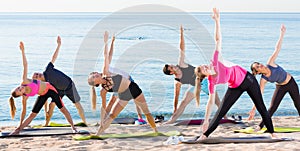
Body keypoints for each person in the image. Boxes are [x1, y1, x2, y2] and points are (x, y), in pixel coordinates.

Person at [194, 8, 276, 140]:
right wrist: (206, 120)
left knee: (261, 107)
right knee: (221, 111)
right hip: (235, 86)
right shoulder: (211, 81)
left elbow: (218, 40)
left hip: (248, 80)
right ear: (206, 75)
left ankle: (273, 133)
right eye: (204, 69)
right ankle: (205, 135)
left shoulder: (215, 61)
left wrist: (217, 21)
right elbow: (210, 102)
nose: (206, 66)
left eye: (204, 65)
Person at [88, 31, 157, 135]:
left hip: (133, 88)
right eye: (93, 77)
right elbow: (104, 108)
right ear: (95, 83)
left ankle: (155, 130)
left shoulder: (106, 72)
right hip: (123, 95)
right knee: (111, 115)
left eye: (94, 74)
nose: (95, 74)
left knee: (146, 112)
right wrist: (102, 120)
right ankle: (98, 133)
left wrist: (107, 42)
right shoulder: (103, 90)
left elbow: (106, 56)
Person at [8, 41, 77, 135]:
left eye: (18, 88)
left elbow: (25, 65)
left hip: (51, 90)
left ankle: (73, 128)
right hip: (43, 94)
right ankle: (18, 131)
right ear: (22, 94)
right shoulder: (25, 97)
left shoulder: (25, 81)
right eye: (20, 90)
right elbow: (23, 112)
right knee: (32, 115)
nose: (20, 87)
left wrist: (23, 52)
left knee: (63, 109)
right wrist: (19, 127)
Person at [162, 25, 225, 124]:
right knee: (183, 102)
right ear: (171, 72)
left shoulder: (181, 64)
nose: (174, 66)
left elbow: (182, 48)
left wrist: (181, 34)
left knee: (217, 101)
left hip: (205, 81)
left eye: (172, 65)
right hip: (195, 86)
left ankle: (226, 118)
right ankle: (171, 120)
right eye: (172, 67)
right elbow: (176, 96)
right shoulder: (177, 81)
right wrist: (175, 109)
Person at [248, 25, 300, 128]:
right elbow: (259, 94)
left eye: (258, 63)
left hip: (291, 82)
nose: (260, 65)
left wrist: (282, 34)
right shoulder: (264, 79)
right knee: (272, 107)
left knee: (298, 104)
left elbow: (277, 49)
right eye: (257, 66)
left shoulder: (270, 63)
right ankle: (260, 126)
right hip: (280, 86)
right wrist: (254, 109)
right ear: (257, 72)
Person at [32, 36, 86, 126]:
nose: (38, 75)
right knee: (51, 105)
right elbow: (44, 97)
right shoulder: (45, 85)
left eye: (37, 73)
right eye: (36, 76)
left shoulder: (47, 70)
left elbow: (54, 58)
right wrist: (46, 111)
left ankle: (86, 122)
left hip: (69, 86)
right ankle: (46, 124)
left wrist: (59, 45)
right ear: (37, 81)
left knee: (77, 105)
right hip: (59, 91)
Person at [98, 35, 146, 125]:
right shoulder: (105, 74)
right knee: (113, 101)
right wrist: (106, 43)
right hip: (120, 84)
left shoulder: (106, 69)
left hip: (128, 80)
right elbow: (106, 56)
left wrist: (112, 42)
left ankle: (140, 118)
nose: (97, 74)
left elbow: (109, 55)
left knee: (136, 99)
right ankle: (104, 118)